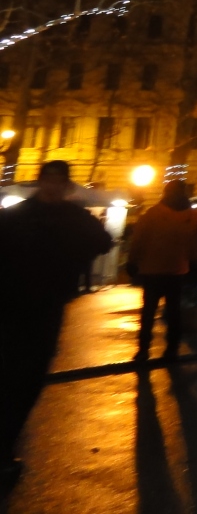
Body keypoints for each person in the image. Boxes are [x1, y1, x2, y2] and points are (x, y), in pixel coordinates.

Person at [0, 161, 113, 482]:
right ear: (40, 183)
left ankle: (5, 445)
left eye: (58, 182)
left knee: (28, 378)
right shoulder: (16, 216)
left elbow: (102, 242)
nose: (52, 187)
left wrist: (73, 258)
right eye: (48, 181)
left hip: (45, 308)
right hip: (11, 305)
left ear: (65, 186)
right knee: (15, 376)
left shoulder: (70, 217)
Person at [128, 180, 197, 363]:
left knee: (149, 312)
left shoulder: (153, 214)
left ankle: (143, 350)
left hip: (152, 270)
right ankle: (172, 349)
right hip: (177, 270)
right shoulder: (194, 216)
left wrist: (133, 261)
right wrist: (194, 262)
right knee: (174, 312)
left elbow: (138, 239)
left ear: (165, 193)